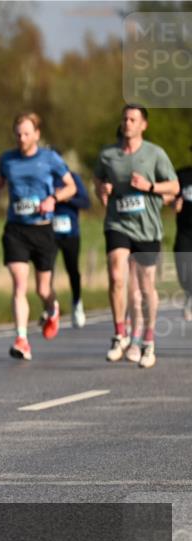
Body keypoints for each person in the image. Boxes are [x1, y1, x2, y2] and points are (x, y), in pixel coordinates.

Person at [0, 112, 76, 361]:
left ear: (37, 134)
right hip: (16, 229)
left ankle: (51, 308)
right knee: (19, 284)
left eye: (26, 133)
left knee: (43, 289)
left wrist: (53, 198)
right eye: (18, 133)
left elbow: (72, 187)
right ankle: (22, 339)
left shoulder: (50, 159)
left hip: (43, 229)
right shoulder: (7, 159)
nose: (22, 138)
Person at [95, 104, 179, 368]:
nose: (127, 123)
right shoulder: (109, 155)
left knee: (144, 288)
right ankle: (119, 334)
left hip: (148, 227)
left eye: (133, 119)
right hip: (118, 224)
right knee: (116, 275)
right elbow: (97, 180)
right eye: (124, 119)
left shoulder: (155, 154)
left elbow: (174, 186)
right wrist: (102, 189)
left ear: (143, 125)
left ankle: (148, 340)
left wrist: (149, 186)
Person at [49, 152, 92, 328]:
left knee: (72, 269)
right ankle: (51, 307)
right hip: (49, 232)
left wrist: (67, 198)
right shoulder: (43, 177)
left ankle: (77, 303)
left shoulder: (72, 178)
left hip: (70, 232)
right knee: (46, 271)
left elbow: (85, 202)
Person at [173, 145, 192, 322]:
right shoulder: (182, 175)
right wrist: (174, 203)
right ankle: (189, 293)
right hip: (185, 230)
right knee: (182, 265)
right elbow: (171, 196)